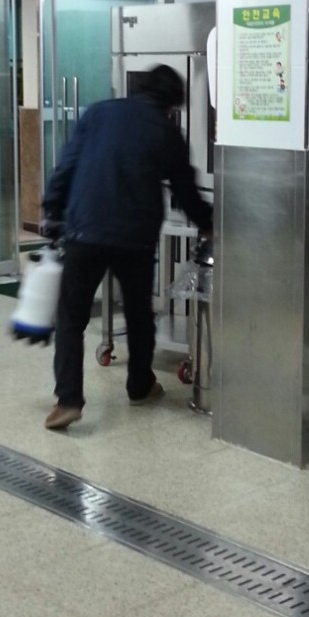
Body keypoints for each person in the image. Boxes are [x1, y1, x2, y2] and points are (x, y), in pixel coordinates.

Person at [40, 64, 213, 431]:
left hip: (85, 229)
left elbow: (67, 165)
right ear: (172, 104)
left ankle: (68, 400)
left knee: (71, 318)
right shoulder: (167, 131)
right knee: (138, 313)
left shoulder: (98, 113)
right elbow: (185, 191)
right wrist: (210, 223)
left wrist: (52, 210)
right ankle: (139, 384)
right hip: (135, 237)